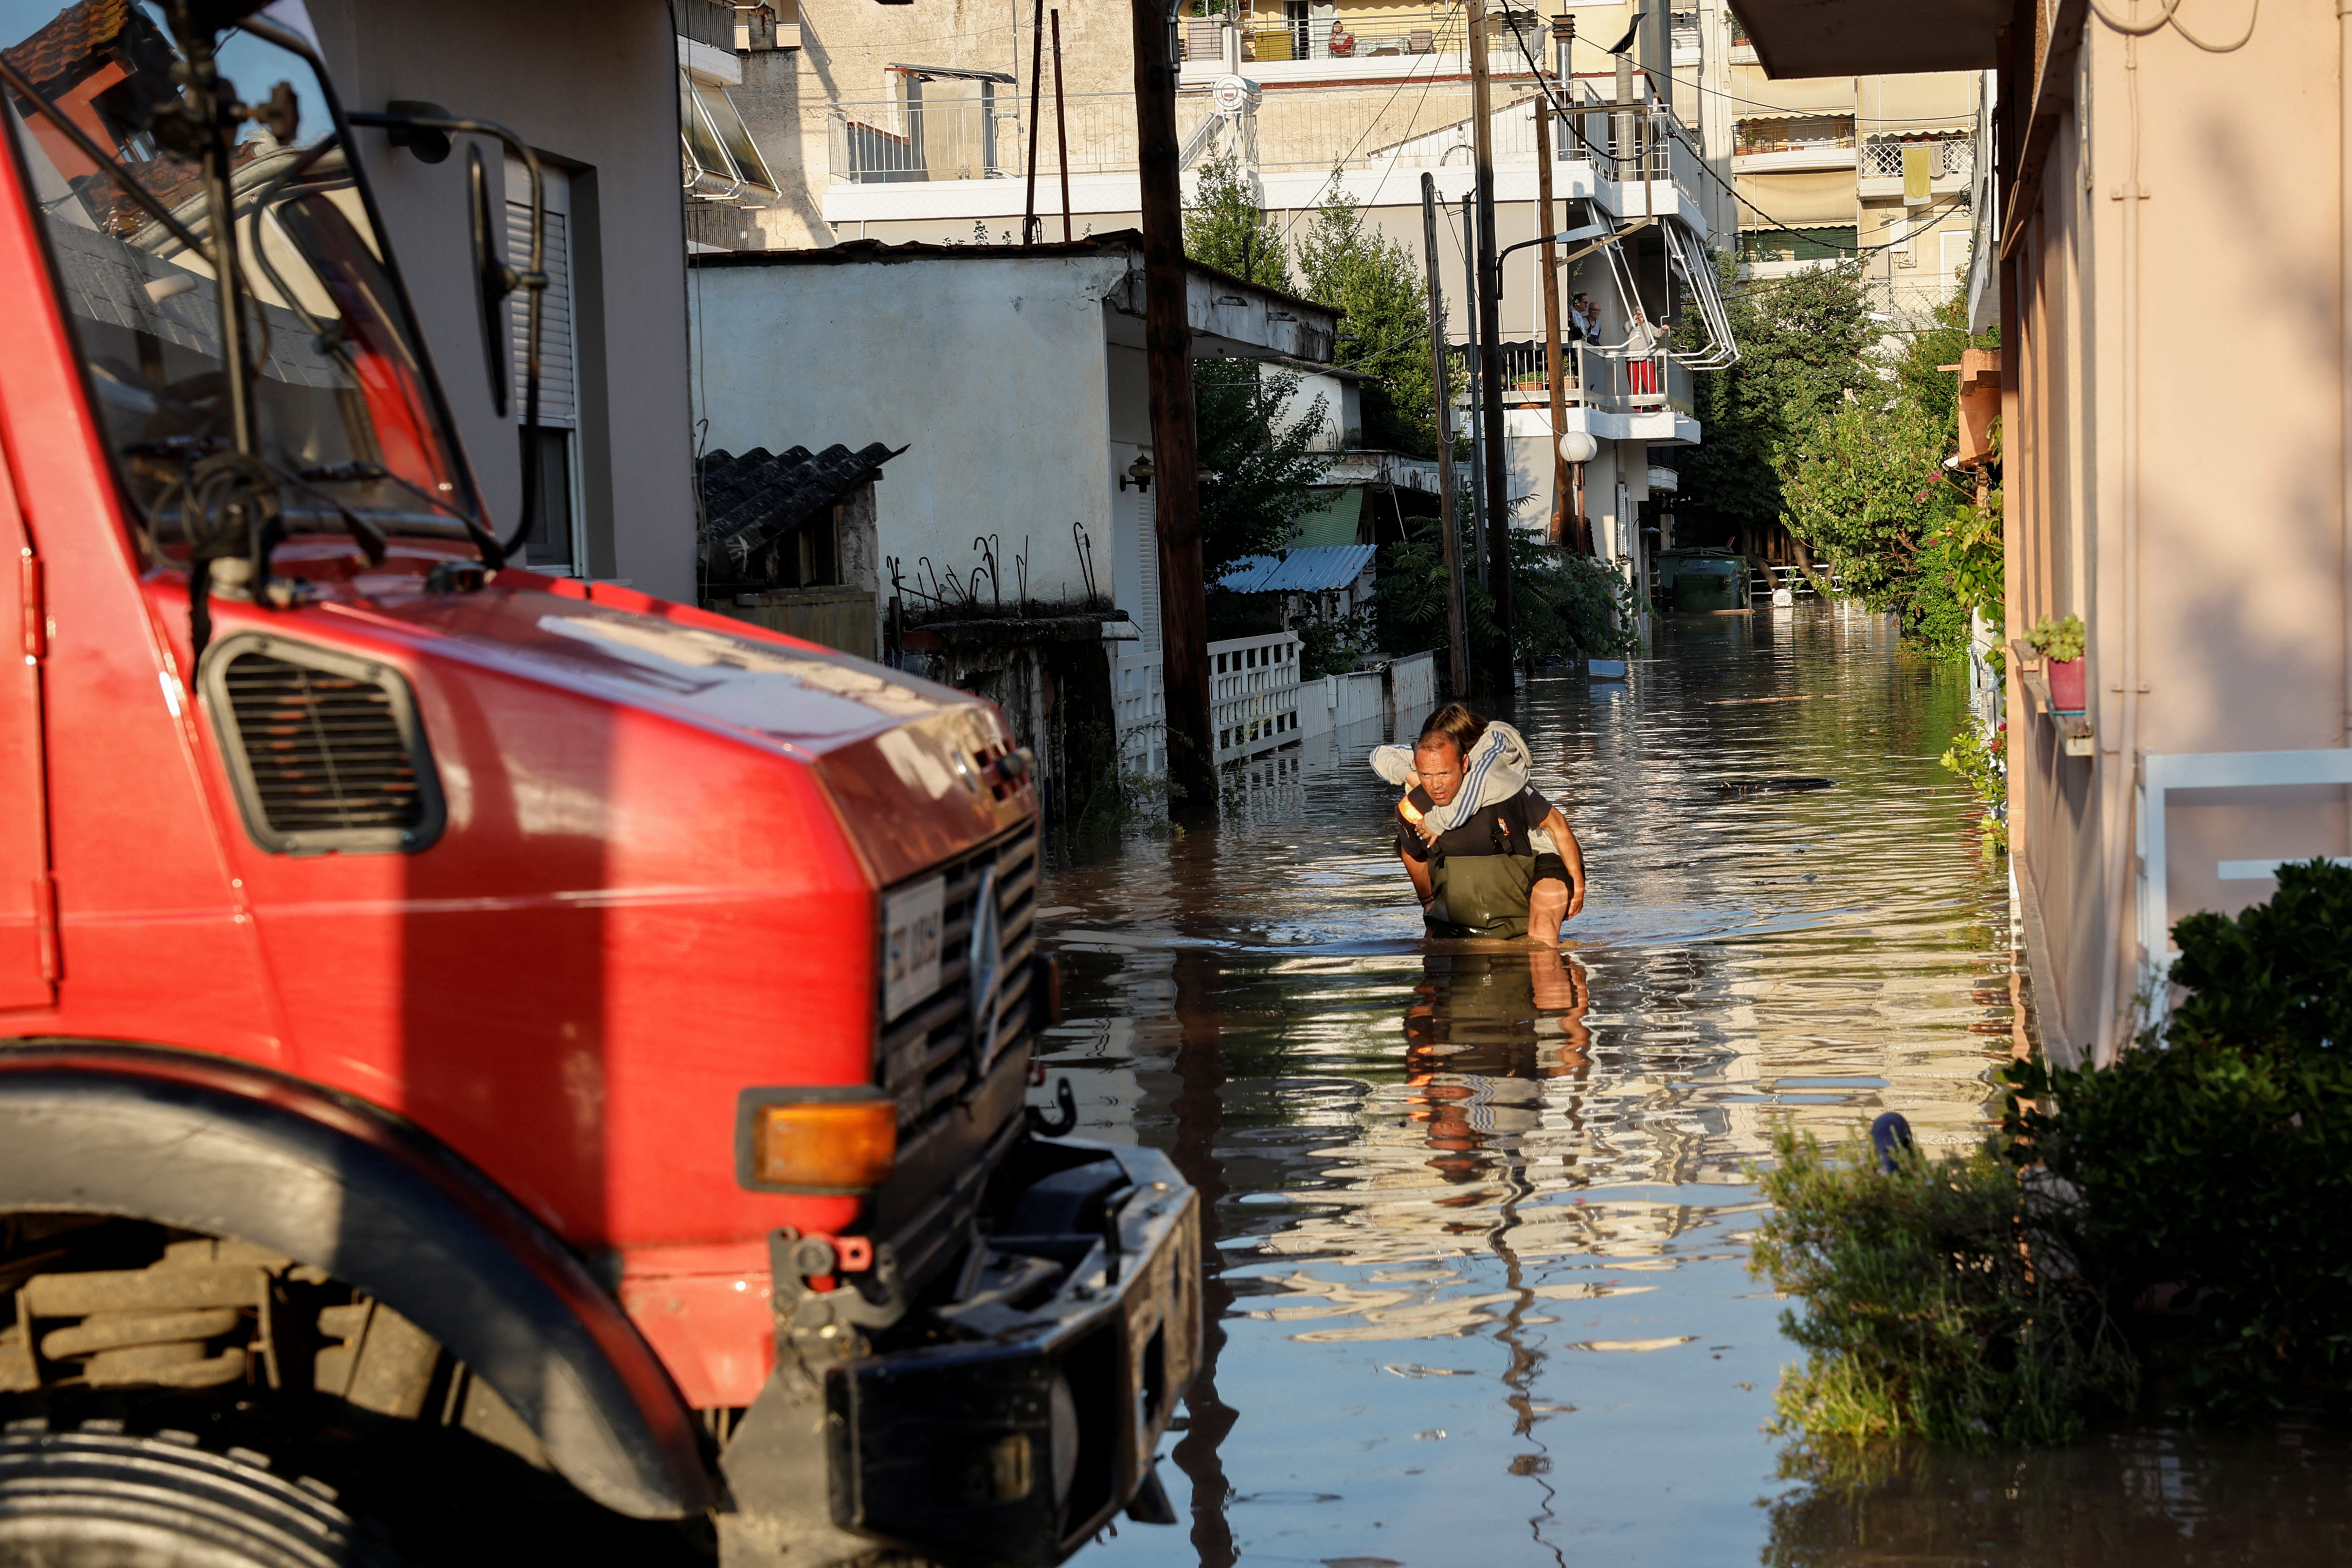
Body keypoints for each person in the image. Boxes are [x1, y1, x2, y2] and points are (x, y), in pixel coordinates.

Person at [1377, 704, 1586, 943]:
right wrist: (1414, 776)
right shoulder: (1441, 758)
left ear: (1464, 756)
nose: (1435, 783)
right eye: (1429, 773)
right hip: (1498, 849)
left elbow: (1474, 790)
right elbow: (1381, 755)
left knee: (1543, 931)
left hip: (1543, 846)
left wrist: (1435, 821)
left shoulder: (1493, 751)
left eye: (1444, 773)